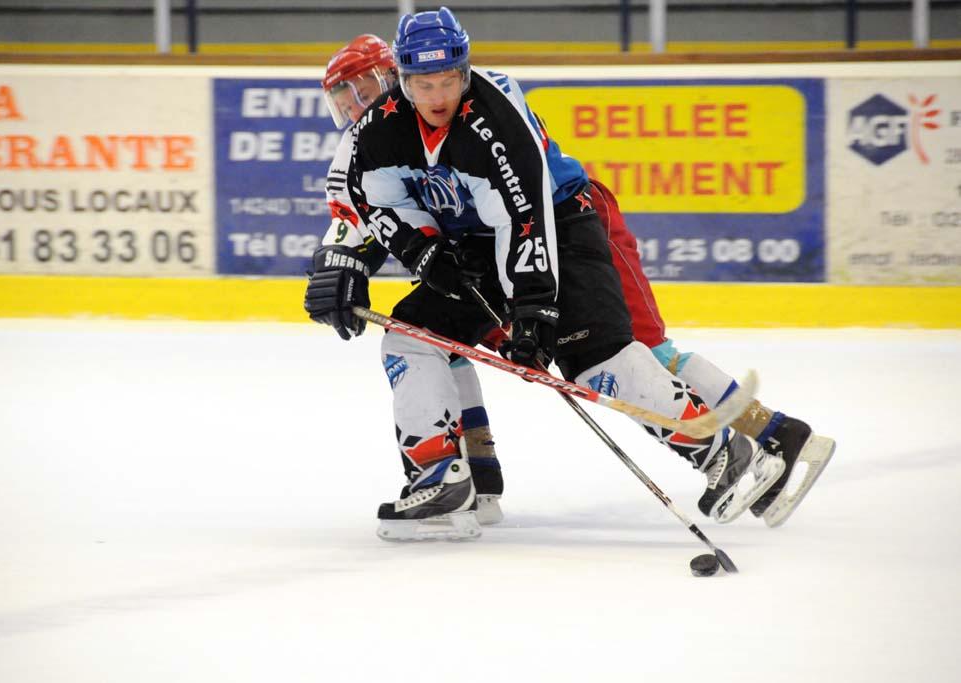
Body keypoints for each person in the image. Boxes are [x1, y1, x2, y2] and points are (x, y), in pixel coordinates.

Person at [306, 11, 832, 539]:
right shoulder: (372, 133)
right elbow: (368, 208)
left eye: (447, 80)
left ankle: (743, 445)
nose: (438, 94)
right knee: (416, 338)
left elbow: (524, 215)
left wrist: (534, 309)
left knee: (609, 355)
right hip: (477, 244)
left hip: (561, 222)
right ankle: (451, 478)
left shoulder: (492, 116)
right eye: (424, 83)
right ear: (404, 79)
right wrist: (409, 255)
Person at [307, 34, 505, 526]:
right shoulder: (361, 143)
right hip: (466, 265)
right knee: (440, 347)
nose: (355, 105)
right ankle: (475, 477)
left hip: (506, 257)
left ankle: (441, 472)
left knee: (413, 342)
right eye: (343, 97)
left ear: (394, 76)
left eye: (362, 88)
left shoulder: (452, 115)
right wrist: (338, 261)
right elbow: (354, 217)